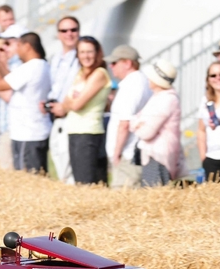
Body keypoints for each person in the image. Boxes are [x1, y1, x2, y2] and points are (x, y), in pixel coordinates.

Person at [0, 32, 52, 173]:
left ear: (27, 46)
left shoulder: (30, 67)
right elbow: (9, 78)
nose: (17, 50)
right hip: (35, 130)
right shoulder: (41, 65)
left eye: (19, 46)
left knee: (27, 177)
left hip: (27, 134)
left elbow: (0, 85)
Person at [50, 36, 109, 185]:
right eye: (82, 52)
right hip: (74, 130)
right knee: (78, 180)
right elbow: (67, 101)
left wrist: (72, 102)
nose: (86, 56)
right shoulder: (81, 74)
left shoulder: (99, 73)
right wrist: (72, 101)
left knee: (86, 182)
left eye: (89, 52)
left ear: (97, 53)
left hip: (89, 132)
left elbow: (76, 105)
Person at [131, 58, 182, 186]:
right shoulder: (158, 97)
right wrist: (138, 123)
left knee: (154, 192)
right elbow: (136, 121)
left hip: (159, 157)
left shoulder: (167, 99)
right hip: (153, 154)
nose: (148, 78)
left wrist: (138, 124)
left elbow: (146, 133)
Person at [105, 44, 150, 189]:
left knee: (122, 196)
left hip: (127, 155)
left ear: (127, 63)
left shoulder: (132, 84)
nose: (111, 66)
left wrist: (116, 153)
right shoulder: (139, 81)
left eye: (114, 62)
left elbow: (124, 124)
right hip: (131, 153)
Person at [46, 16, 80, 184]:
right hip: (55, 117)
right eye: (64, 30)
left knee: (68, 166)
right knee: (58, 159)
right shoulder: (55, 58)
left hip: (73, 115)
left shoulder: (82, 57)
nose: (69, 34)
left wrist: (64, 106)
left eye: (73, 30)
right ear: (58, 34)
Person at [197, 60, 220, 182]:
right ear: (208, 79)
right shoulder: (205, 100)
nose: (218, 78)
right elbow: (201, 130)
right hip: (211, 157)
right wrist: (203, 157)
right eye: (213, 75)